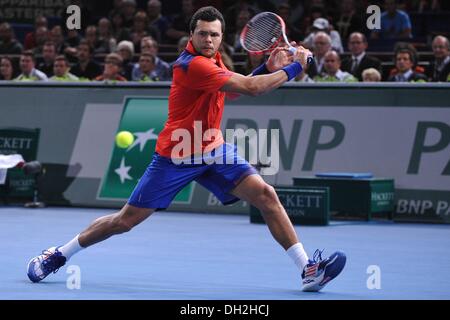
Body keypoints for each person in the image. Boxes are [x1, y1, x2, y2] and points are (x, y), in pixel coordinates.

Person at [27, 6, 346, 292]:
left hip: (213, 149)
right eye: (203, 33)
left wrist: (266, 68)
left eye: (215, 35)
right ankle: (59, 254)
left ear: (222, 38)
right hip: (176, 155)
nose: (209, 39)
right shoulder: (192, 65)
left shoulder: (215, 60)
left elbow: (234, 92)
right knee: (125, 221)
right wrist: (294, 67)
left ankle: (308, 270)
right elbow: (250, 89)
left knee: (266, 195)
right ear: (191, 35)